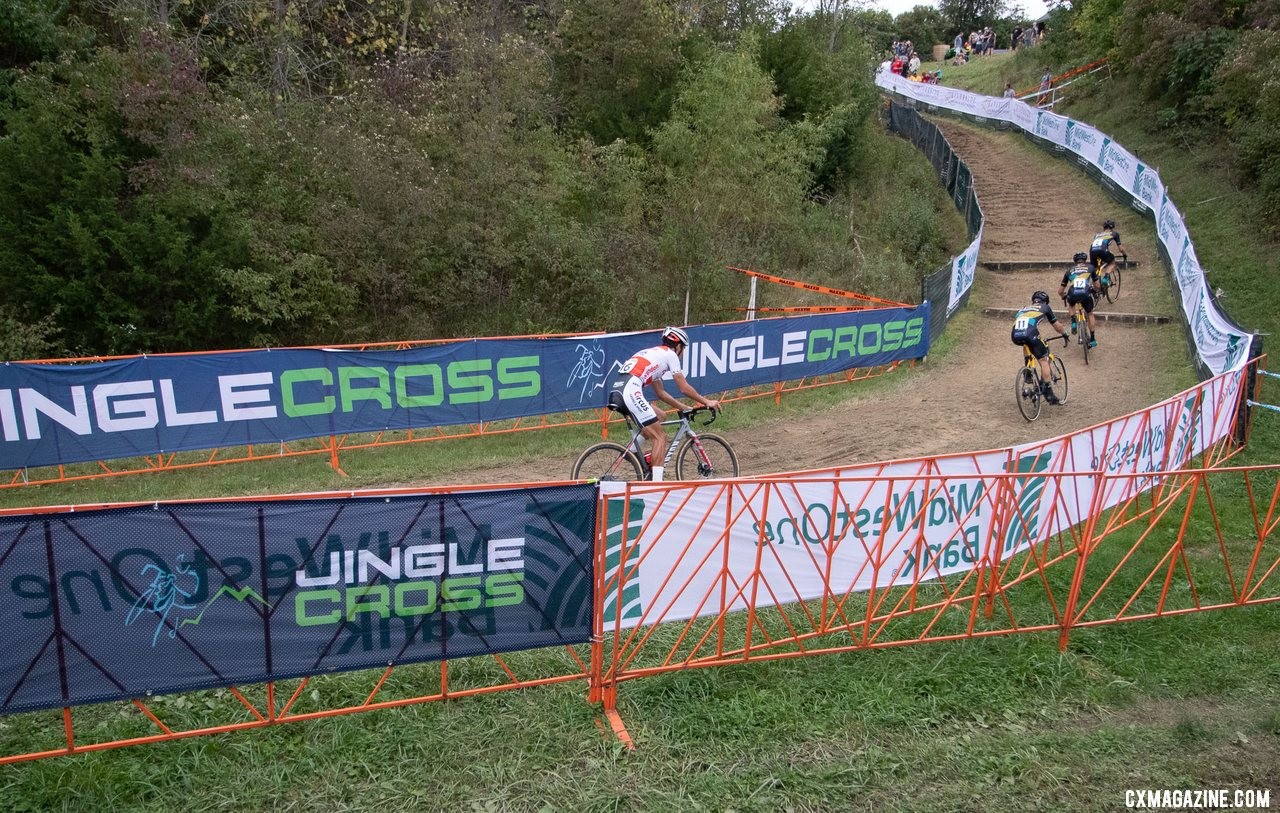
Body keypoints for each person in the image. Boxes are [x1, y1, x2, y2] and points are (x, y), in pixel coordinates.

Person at [608, 326, 721, 482]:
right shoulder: (670, 354)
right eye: (684, 348)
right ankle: (657, 484)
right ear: (678, 346)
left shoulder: (654, 354)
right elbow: (683, 387)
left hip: (619, 391)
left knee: (661, 416)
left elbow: (660, 393)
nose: (683, 353)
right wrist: (706, 401)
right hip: (630, 391)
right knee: (660, 437)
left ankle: (632, 451)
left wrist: (683, 407)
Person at [1011, 291, 1070, 405]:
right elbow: (1057, 326)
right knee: (1044, 360)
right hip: (1030, 334)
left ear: (1033, 300)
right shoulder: (1045, 307)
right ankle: (1048, 393)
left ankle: (1028, 372)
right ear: (1045, 301)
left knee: (1026, 343)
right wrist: (1064, 334)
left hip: (1015, 335)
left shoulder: (1023, 309)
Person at [1059, 252, 1102, 349]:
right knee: (1090, 314)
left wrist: (1063, 296)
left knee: (1071, 304)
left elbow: (1060, 291)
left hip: (1073, 293)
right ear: (1085, 260)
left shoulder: (1069, 270)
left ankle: (1073, 321)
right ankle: (1093, 338)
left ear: (1075, 262)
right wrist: (1094, 291)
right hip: (1086, 293)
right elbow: (1097, 285)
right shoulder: (1090, 268)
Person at [1088, 218, 1127, 290]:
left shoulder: (1097, 235)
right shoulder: (1114, 234)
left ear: (1104, 227)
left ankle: (1094, 288)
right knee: (1112, 262)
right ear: (1112, 228)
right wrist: (1125, 255)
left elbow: (1099, 244)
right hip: (1102, 250)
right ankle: (1105, 278)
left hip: (1092, 251)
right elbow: (1121, 249)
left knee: (1095, 269)